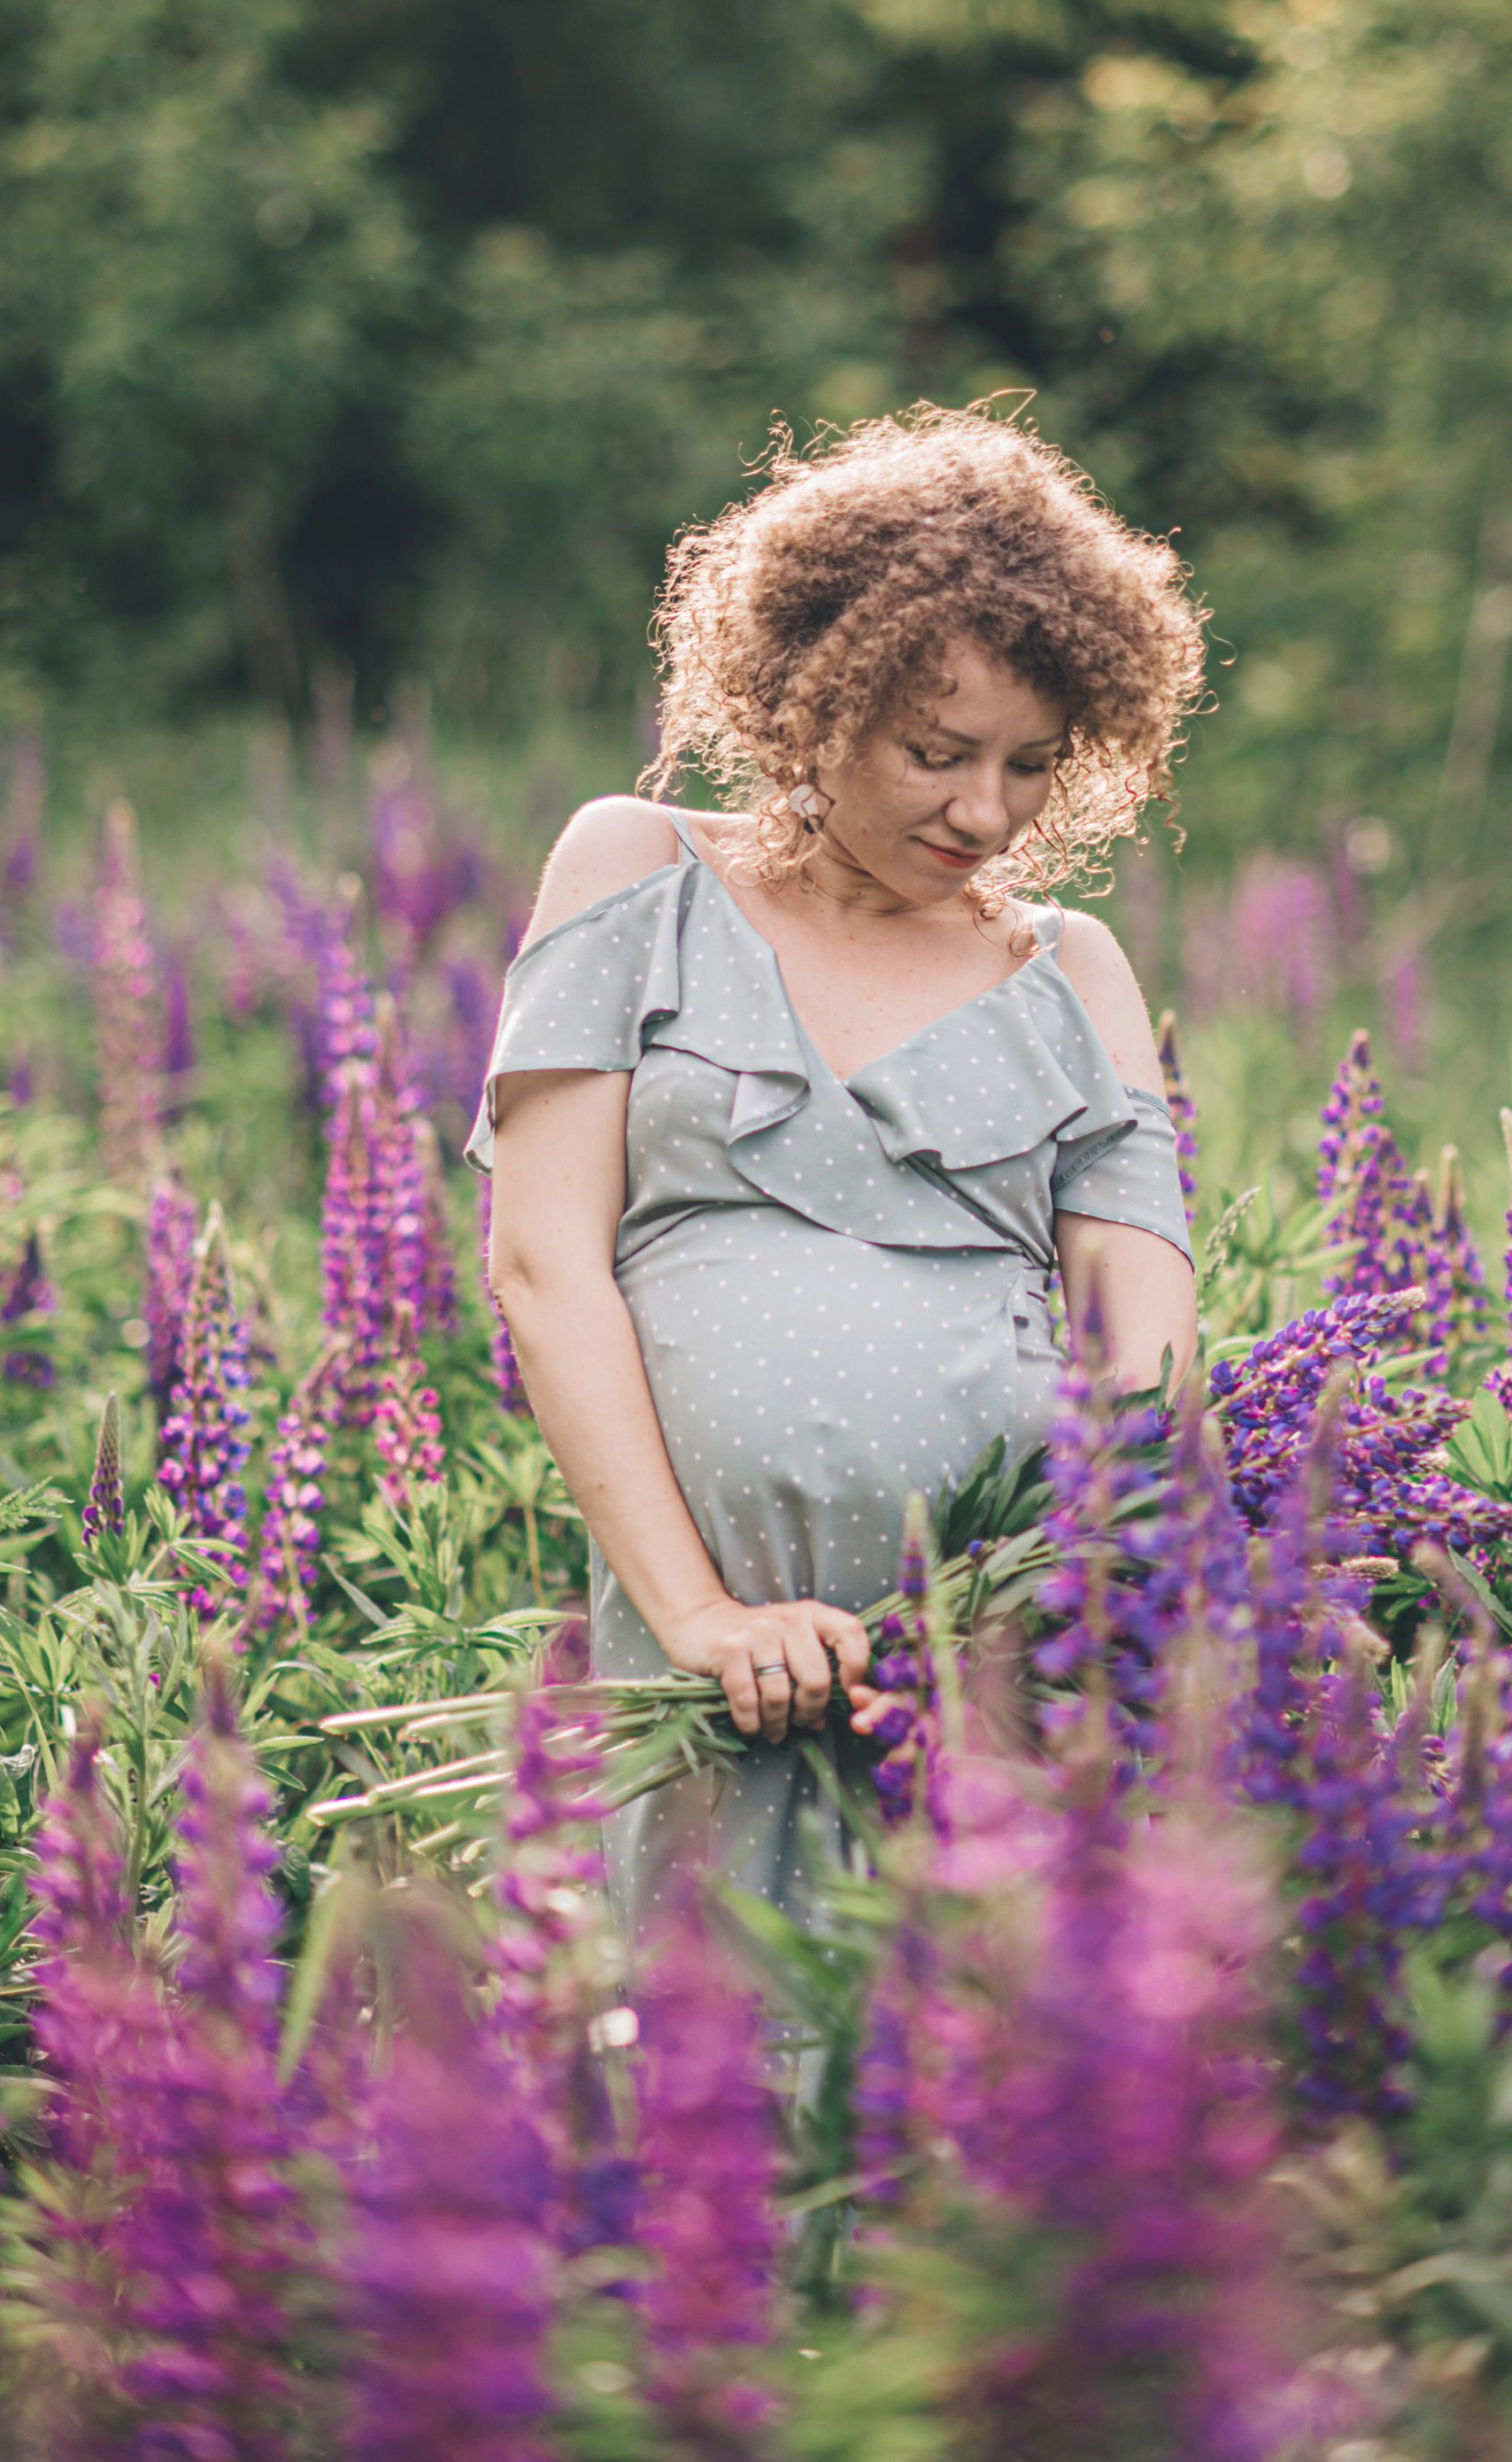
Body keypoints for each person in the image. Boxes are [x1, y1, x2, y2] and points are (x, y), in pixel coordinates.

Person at [476, 405, 1205, 1926]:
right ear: (814, 697)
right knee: (708, 2069)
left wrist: (1016, 1610)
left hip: (998, 1692)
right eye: (936, 752)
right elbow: (545, 1265)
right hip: (713, 1671)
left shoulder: (1072, 967)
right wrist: (701, 1613)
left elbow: (1144, 1345)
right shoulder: (637, 870)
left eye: (1029, 764)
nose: (986, 812)